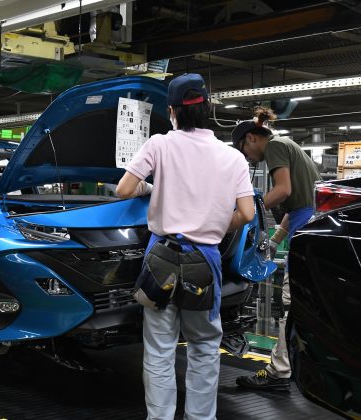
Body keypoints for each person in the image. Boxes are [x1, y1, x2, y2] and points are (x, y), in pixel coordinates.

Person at [117, 73, 255, 420]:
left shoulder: (160, 144)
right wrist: (218, 223)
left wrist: (151, 191)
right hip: (204, 264)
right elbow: (248, 213)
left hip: (161, 259)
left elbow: (123, 189)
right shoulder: (233, 157)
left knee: (160, 350)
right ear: (207, 109)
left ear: (172, 112)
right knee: (205, 348)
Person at [232, 108, 320, 391]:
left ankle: (278, 371)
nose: (247, 157)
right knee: (302, 303)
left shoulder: (276, 147)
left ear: (251, 139)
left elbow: (282, 190)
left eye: (243, 149)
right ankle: (296, 365)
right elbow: (294, 205)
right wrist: (273, 240)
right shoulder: (290, 145)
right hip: (305, 224)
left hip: (304, 228)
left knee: (290, 301)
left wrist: (252, 210)